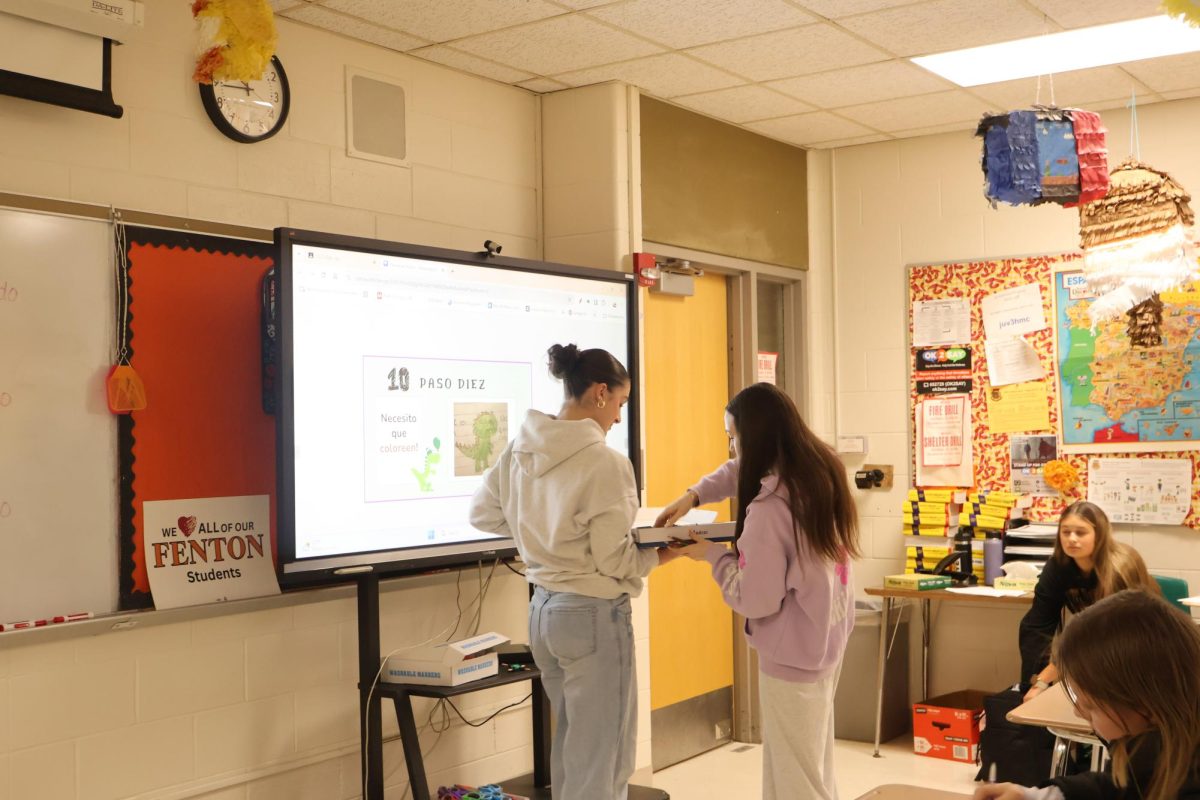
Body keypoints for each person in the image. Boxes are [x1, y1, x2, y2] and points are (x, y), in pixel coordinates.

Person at [469, 343, 678, 800]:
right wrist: (667, 553)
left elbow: (482, 515)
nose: (619, 418)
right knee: (603, 760)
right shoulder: (606, 463)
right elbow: (616, 561)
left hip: (543, 613)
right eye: (620, 404)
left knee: (571, 749)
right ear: (600, 393)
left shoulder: (520, 449)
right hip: (592, 617)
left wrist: (537, 530)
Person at [655, 382, 860, 800]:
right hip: (825, 638)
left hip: (792, 656)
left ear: (756, 438)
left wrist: (711, 556)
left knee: (794, 780)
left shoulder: (768, 512)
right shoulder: (820, 470)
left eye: (734, 438)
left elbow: (755, 598)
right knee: (813, 766)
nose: (731, 449)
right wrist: (693, 495)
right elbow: (739, 471)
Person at [976, 589, 1200, 800]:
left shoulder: (1189, 781)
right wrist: (1036, 795)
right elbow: (1114, 786)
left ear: (1144, 703)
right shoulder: (1151, 747)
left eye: (1091, 706)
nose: (1079, 711)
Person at [1019, 501, 1160, 702]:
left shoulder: (1119, 566)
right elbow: (1038, 623)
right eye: (1066, 532)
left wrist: (1047, 677)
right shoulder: (1057, 567)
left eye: (1080, 532)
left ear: (1099, 534)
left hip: (1141, 638)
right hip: (1101, 638)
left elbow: (1106, 632)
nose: (1072, 539)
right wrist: (1034, 685)